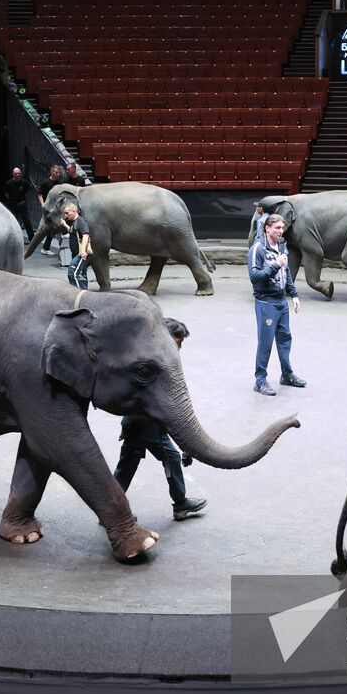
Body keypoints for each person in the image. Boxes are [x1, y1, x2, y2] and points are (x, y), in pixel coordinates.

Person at [113, 318, 207, 521]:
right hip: (142, 425)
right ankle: (110, 510)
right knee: (132, 465)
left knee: (148, 462)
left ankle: (179, 504)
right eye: (178, 342)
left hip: (148, 425)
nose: (179, 348)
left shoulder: (157, 357)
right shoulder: (152, 361)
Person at [248, 209, 304, 396]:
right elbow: (255, 277)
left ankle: (287, 374)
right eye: (277, 228)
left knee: (285, 339)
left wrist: (294, 295)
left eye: (283, 228)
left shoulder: (281, 246)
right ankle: (260, 380)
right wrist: (275, 265)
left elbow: (286, 272)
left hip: (281, 302)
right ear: (267, 228)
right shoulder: (258, 249)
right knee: (265, 342)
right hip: (266, 302)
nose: (281, 231)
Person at [37, 164, 64, 257]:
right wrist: (43, 205)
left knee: (55, 228)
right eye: (56, 172)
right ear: (52, 172)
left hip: (57, 209)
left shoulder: (60, 183)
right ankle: (45, 248)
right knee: (51, 229)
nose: (58, 174)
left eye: (59, 172)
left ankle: (47, 248)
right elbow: (40, 195)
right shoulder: (45, 183)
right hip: (48, 209)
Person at [63, 201, 90, 289]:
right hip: (76, 253)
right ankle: (84, 293)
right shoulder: (74, 223)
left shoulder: (80, 221)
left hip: (81, 254)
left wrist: (82, 251)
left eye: (67, 213)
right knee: (81, 275)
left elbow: (86, 235)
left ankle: (78, 293)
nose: (65, 215)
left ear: (74, 211)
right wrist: (64, 224)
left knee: (73, 273)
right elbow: (72, 231)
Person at [2, 166, 33, 239]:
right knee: (13, 222)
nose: (17, 175)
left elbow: (28, 189)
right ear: (13, 174)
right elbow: (6, 194)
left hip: (22, 204)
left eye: (19, 173)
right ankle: (13, 238)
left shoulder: (24, 182)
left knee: (27, 221)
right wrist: (12, 200)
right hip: (13, 205)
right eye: (16, 173)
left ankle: (31, 238)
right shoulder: (9, 183)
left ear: (21, 174)